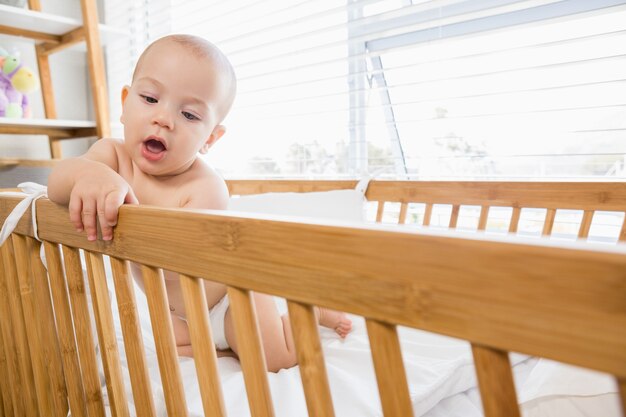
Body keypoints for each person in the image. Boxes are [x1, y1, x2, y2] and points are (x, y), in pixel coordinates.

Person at [47, 34, 352, 372]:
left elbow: (174, 262)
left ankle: (312, 310)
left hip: (232, 299)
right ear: (124, 103)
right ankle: (220, 348)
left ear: (210, 138)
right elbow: (55, 185)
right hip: (176, 313)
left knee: (276, 358)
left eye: (190, 115)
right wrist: (87, 175)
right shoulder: (111, 156)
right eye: (149, 98)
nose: (164, 119)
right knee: (174, 356)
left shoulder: (206, 187)